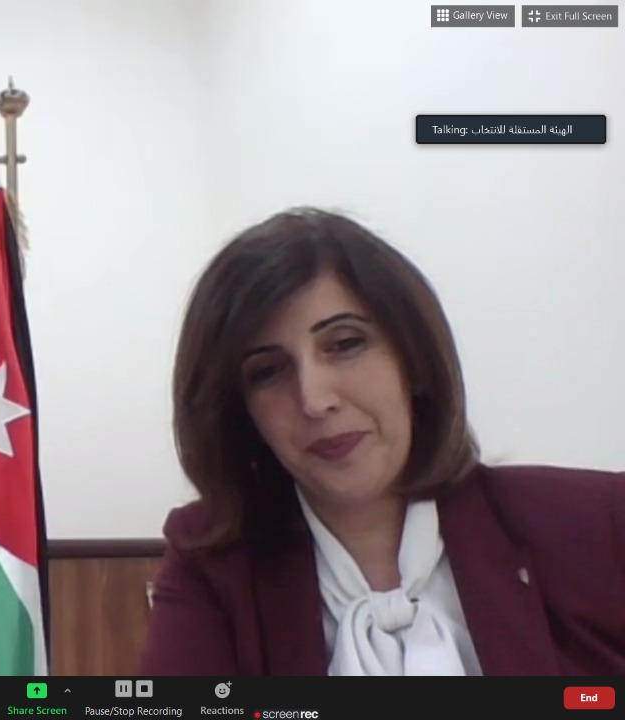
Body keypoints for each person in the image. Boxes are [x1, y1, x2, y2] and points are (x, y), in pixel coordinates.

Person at [140, 208, 625, 676]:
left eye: (345, 344)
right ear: (239, 412)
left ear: (412, 359)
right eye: (267, 371)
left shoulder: (596, 524)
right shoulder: (213, 566)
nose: (315, 400)